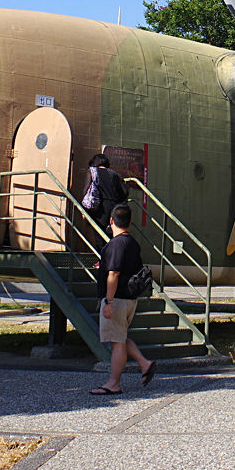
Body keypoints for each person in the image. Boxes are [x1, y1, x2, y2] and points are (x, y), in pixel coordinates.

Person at [90, 203, 155, 395]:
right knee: (121, 337)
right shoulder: (132, 243)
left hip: (116, 299)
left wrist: (108, 302)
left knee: (116, 342)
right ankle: (145, 364)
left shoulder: (116, 244)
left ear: (111, 221)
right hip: (129, 299)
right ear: (130, 222)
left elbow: (114, 273)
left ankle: (114, 383)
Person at [81, 153, 129, 234]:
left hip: (98, 209)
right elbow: (125, 192)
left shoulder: (92, 171)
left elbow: (86, 190)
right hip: (113, 209)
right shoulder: (113, 174)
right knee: (109, 235)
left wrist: (84, 209)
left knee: (99, 236)